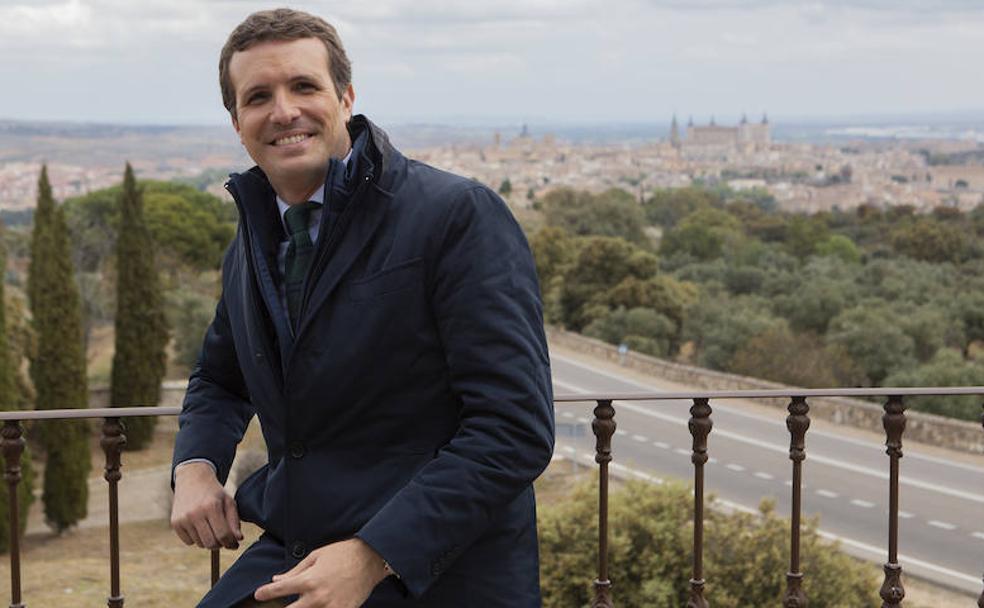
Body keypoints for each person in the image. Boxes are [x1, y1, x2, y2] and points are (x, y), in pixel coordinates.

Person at [169, 8, 554, 608]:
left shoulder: (455, 216)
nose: (284, 111)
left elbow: (513, 429)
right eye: (258, 96)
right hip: (301, 548)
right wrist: (194, 465)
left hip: (438, 570)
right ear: (237, 122)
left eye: (304, 86)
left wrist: (374, 554)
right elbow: (219, 377)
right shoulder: (255, 237)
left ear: (345, 98)